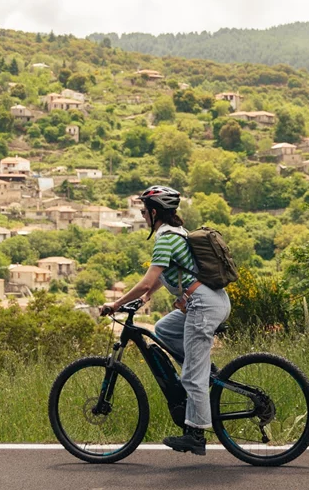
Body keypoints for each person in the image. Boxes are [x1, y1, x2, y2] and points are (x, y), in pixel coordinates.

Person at [100, 185, 230, 456]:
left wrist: (116, 304)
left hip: (202, 305)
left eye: (144, 211)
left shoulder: (165, 238)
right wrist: (147, 296)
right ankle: (203, 368)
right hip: (206, 300)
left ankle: (195, 435)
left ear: (154, 212)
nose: (142, 215)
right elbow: (166, 275)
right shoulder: (176, 233)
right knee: (163, 329)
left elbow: (149, 278)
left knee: (191, 377)